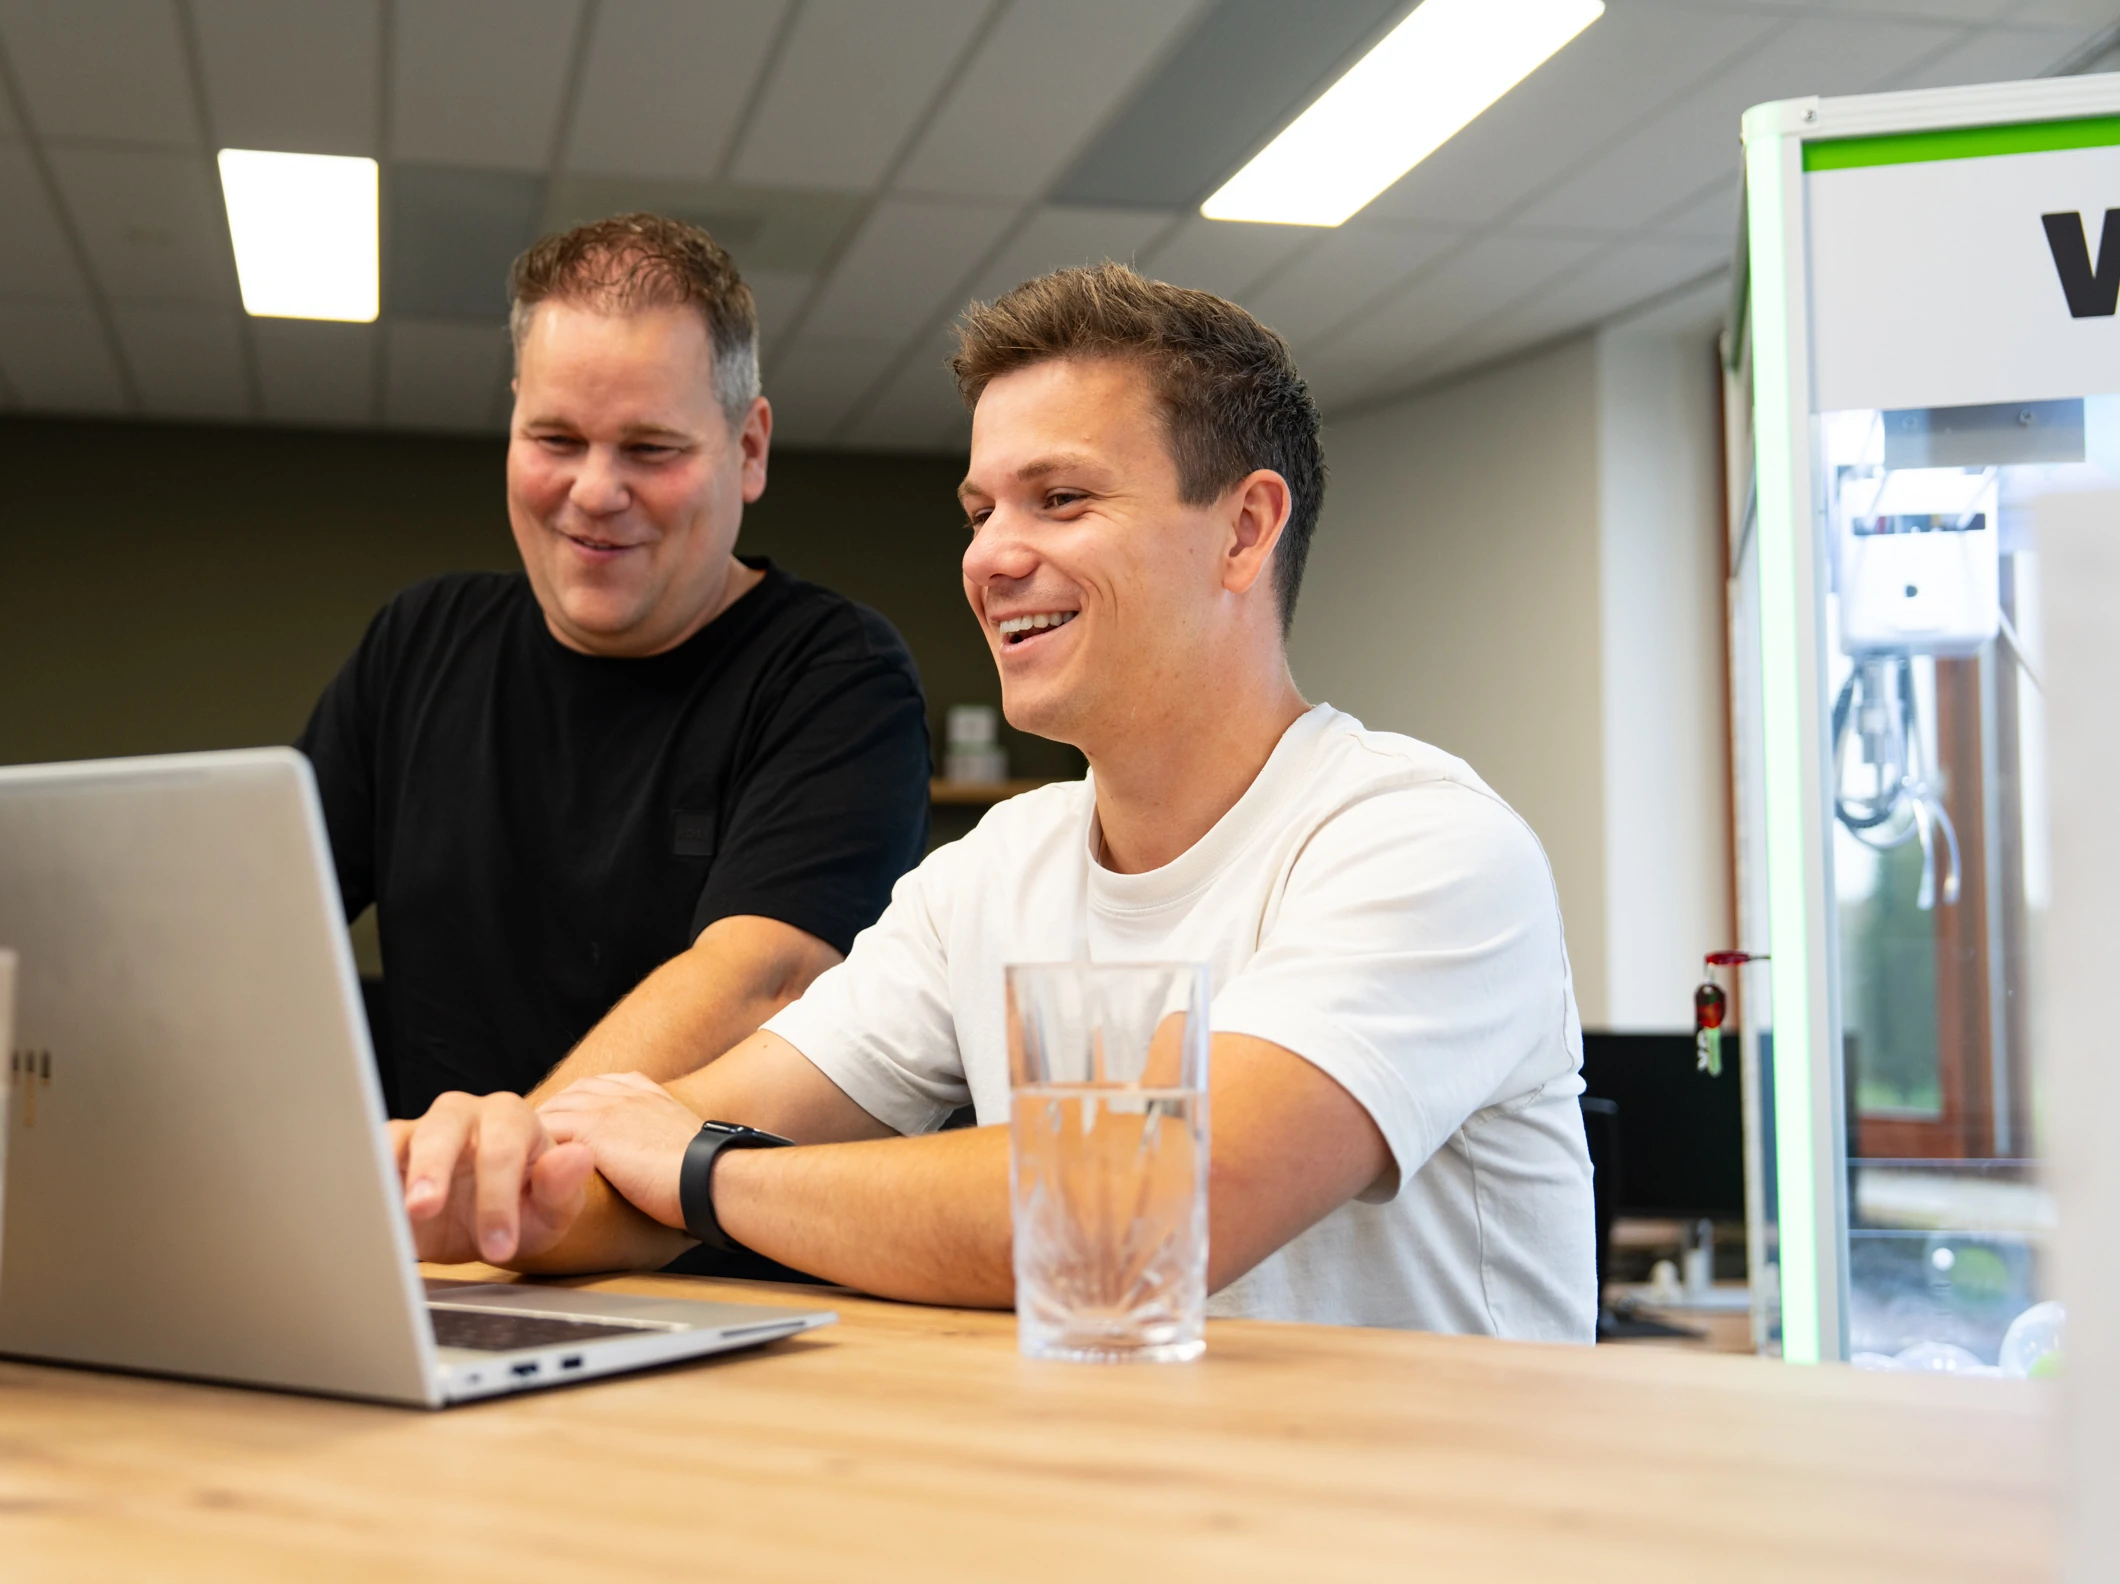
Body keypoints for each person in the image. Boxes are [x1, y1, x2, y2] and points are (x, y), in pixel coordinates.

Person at [388, 264, 1597, 1340]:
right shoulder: (992, 871)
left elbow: (1136, 1217)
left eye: (1060, 500)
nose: (989, 557)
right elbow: (636, 1162)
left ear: (1245, 529)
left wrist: (700, 1170)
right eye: (980, 512)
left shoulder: (1421, 842)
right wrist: (495, 1178)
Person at [300, 214, 930, 1122]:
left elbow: (761, 979)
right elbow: (258, 923)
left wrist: (517, 1163)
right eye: (556, 439)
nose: (595, 491)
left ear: (748, 451)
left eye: (650, 449)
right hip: (453, 1252)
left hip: (704, 1257)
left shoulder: (835, 674)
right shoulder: (419, 643)